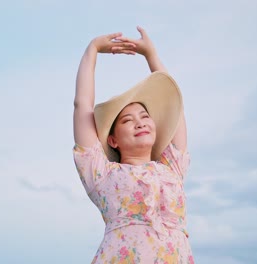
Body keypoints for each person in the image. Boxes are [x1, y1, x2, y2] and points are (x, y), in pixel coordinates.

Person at [73, 26, 194, 264]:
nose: (140, 123)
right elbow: (82, 105)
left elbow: (175, 105)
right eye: (128, 120)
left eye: (145, 116)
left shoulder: (171, 168)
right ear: (113, 140)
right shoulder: (102, 174)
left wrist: (152, 56)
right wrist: (92, 51)